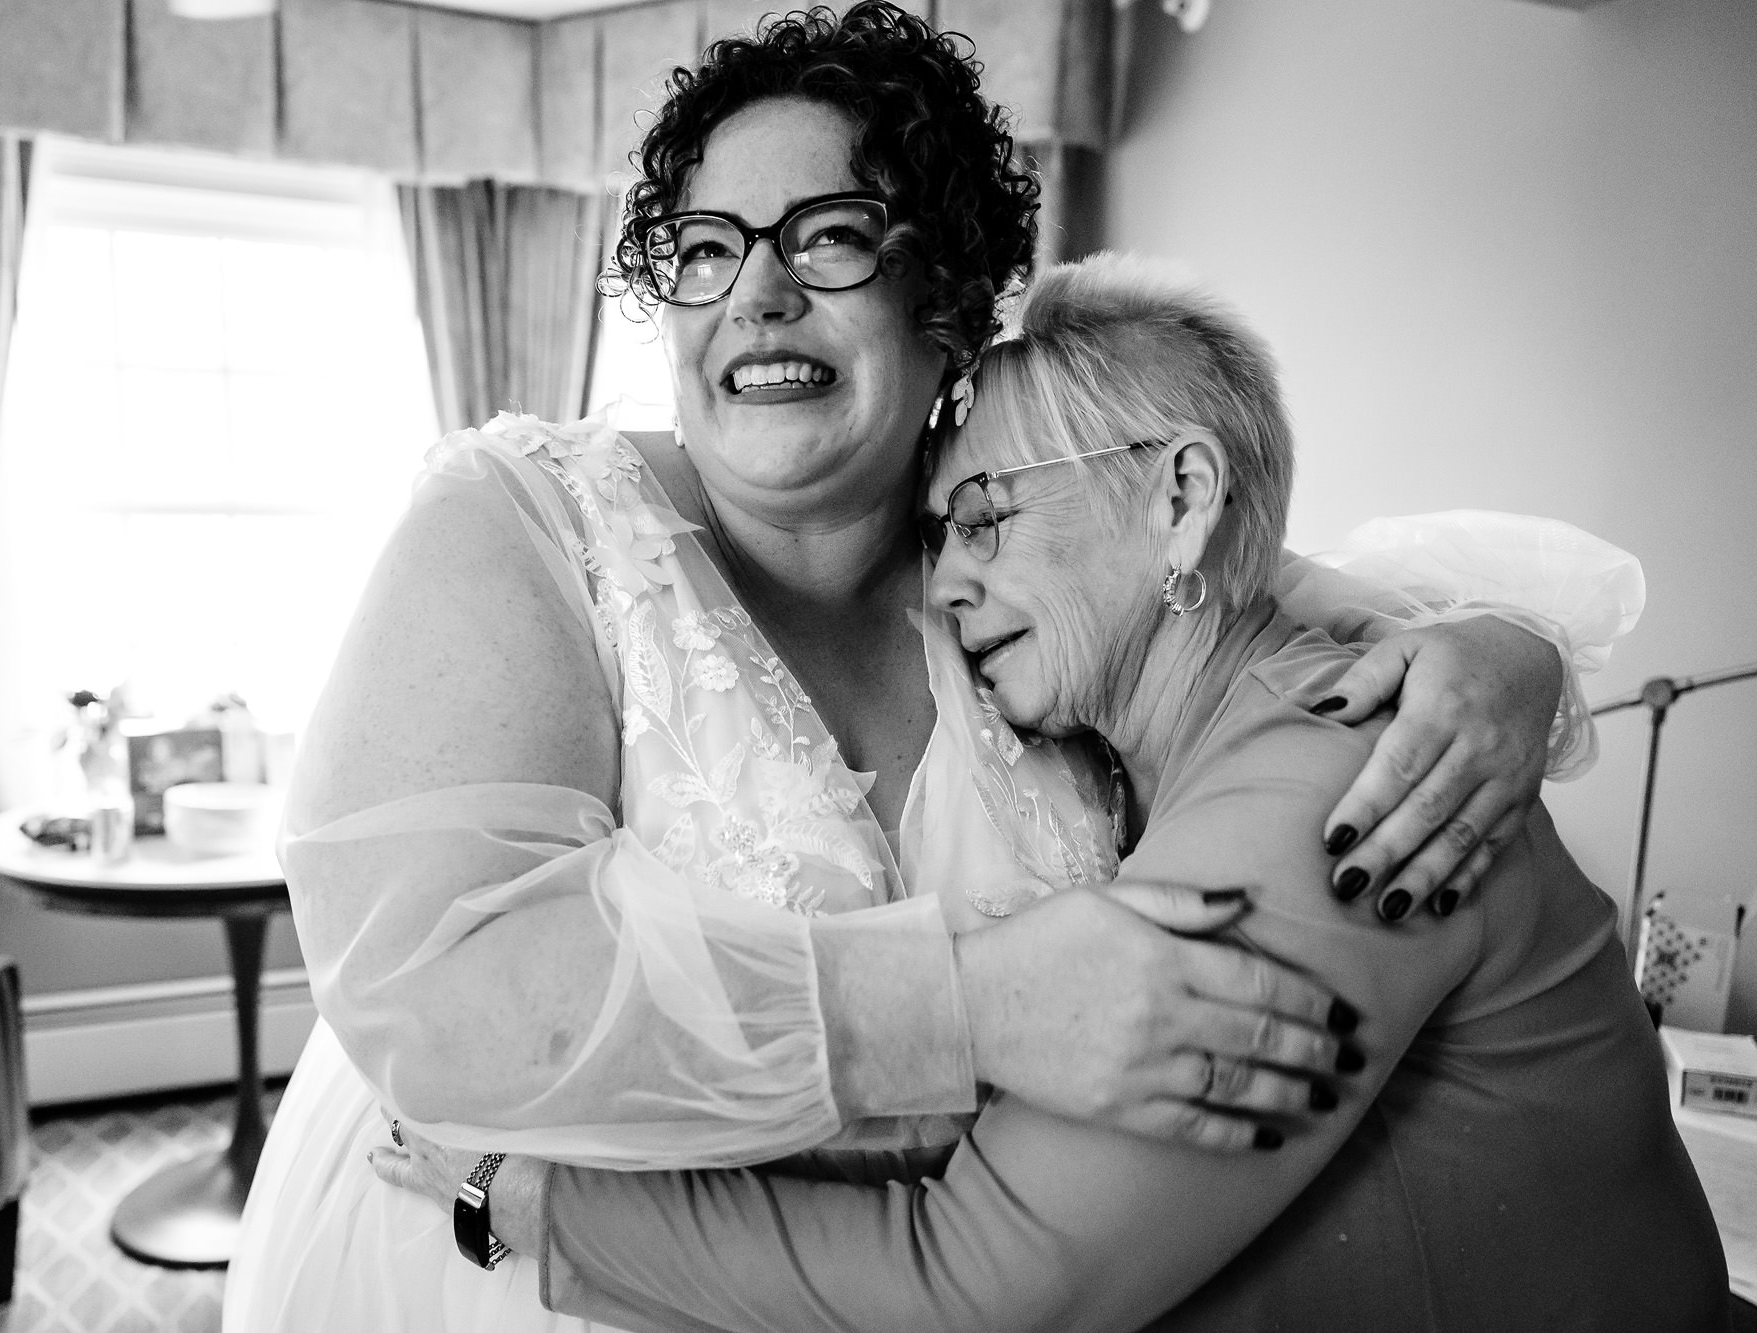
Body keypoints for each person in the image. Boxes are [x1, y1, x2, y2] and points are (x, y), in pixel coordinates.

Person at [223, 7, 1591, 1328]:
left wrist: (1500, 650)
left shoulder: (1015, 580)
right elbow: (431, 991)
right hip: (505, 1266)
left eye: (828, 237)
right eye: (703, 247)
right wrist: (967, 1004)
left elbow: (1264, 599)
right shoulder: (527, 517)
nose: (753, 290)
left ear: (947, 301)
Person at [373, 255, 1724, 1332]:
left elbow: (974, 1280)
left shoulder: (1338, 792)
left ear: (1181, 496)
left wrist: (531, 1198)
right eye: (936, 532)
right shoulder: (1177, 733)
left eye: (988, 518)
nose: (943, 586)